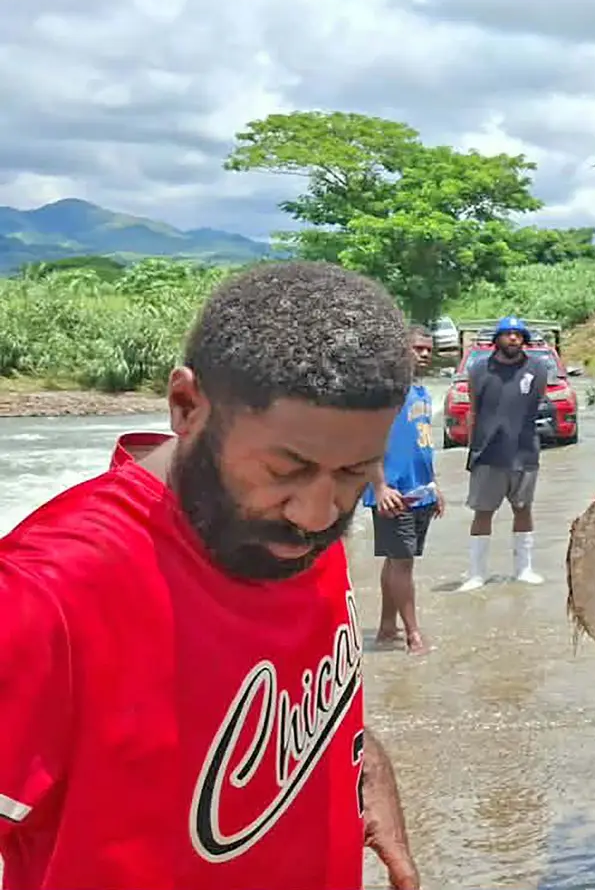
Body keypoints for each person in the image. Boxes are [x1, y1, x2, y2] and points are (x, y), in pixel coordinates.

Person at [0, 260, 418, 890]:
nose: (315, 512)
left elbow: (285, 685)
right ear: (185, 405)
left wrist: (361, 764)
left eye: (356, 472)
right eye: (286, 470)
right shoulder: (46, 597)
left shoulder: (284, 529)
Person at [363, 324, 441, 654]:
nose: (424, 354)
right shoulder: (385, 393)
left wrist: (435, 486)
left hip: (420, 492)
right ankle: (413, 635)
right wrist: (379, 486)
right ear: (400, 350)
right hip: (393, 492)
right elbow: (366, 440)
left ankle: (385, 628)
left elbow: (421, 444)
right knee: (402, 561)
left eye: (427, 349)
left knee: (396, 561)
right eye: (417, 348)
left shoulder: (421, 393)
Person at [460, 315, 550, 591]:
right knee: (482, 512)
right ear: (496, 339)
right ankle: (477, 574)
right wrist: (472, 449)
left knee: (523, 509)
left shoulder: (538, 368)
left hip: (524, 452)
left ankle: (524, 569)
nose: (513, 338)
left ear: (524, 340)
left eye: (518, 334)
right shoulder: (478, 369)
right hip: (487, 452)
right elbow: (473, 411)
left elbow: (535, 406)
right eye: (508, 334)